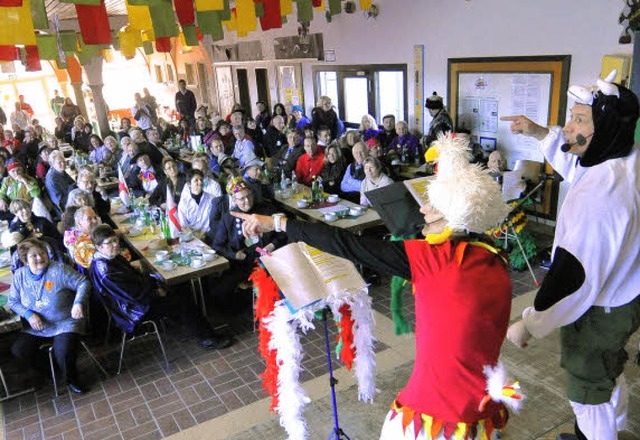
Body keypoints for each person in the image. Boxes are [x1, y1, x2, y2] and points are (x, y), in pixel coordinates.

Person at [234, 133, 521, 440]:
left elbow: (346, 244)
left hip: (439, 412)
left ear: (456, 217)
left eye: (432, 207)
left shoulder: (434, 261)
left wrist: (278, 224)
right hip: (481, 405)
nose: (422, 211)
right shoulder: (494, 257)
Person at [503, 71, 640, 440]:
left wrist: (531, 322)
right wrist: (537, 132)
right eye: (571, 116)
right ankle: (616, 427)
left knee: (587, 391)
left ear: (608, 127)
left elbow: (573, 272)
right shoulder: (624, 157)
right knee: (608, 372)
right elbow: (578, 166)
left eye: (580, 120)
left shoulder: (602, 196)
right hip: (625, 297)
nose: (567, 127)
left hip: (602, 310)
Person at [89, 225, 232, 350]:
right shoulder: (106, 271)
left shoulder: (108, 257)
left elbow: (134, 279)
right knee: (182, 302)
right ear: (99, 247)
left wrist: (154, 283)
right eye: (109, 243)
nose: (115, 245)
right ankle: (207, 339)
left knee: (179, 287)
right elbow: (134, 295)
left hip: (137, 297)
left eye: (115, 240)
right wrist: (156, 291)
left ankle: (189, 328)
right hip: (134, 310)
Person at [9, 238, 90, 394]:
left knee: (63, 350)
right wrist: (29, 314)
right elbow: (13, 301)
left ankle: (72, 379)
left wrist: (78, 302)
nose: (40, 258)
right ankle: (55, 372)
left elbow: (83, 282)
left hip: (65, 321)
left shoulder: (59, 270)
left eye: (42, 253)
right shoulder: (19, 276)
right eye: (34, 256)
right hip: (38, 326)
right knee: (19, 350)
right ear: (25, 261)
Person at [177, 169, 215, 238]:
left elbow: (212, 222)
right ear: (189, 184)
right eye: (196, 180)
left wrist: (202, 234)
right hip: (190, 237)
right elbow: (183, 224)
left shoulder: (211, 199)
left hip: (208, 236)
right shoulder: (184, 202)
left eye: (201, 179)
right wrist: (193, 235)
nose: (200, 182)